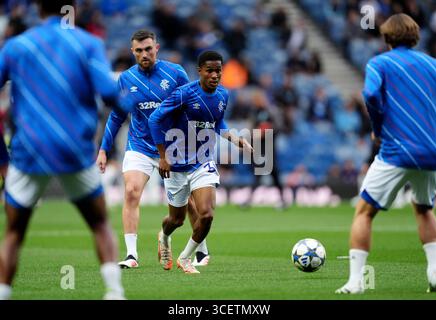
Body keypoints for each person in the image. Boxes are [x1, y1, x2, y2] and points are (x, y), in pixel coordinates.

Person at [0, 0, 129, 300]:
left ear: (38, 9)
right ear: (72, 8)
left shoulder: (17, 46)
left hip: (29, 151)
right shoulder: (88, 44)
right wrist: (131, 101)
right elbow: (110, 94)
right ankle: (114, 292)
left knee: (14, 233)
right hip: (75, 150)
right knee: (99, 223)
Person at [336, 13, 436, 294]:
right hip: (432, 152)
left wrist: (378, 127)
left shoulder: (379, 63)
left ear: (386, 37)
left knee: (364, 212)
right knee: (424, 208)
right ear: (415, 36)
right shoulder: (434, 65)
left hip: (397, 150)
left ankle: (356, 282)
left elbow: (370, 95)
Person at [96, 30, 210, 269]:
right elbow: (117, 116)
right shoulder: (126, 80)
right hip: (139, 146)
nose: (144, 54)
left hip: (172, 149)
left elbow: (191, 106)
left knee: (187, 203)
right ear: (133, 52)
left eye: (148, 49)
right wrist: (104, 149)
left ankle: (200, 248)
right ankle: (131, 255)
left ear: (156, 48)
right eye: (139, 50)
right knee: (131, 191)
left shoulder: (175, 73)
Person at [149, 51, 253, 273]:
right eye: (210, 71)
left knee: (206, 214)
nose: (215, 75)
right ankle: (164, 237)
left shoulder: (223, 95)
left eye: (218, 71)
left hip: (202, 162)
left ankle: (185, 258)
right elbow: (155, 118)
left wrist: (235, 139)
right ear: (200, 71)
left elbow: (217, 123)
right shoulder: (184, 94)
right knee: (175, 220)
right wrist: (163, 155)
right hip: (176, 164)